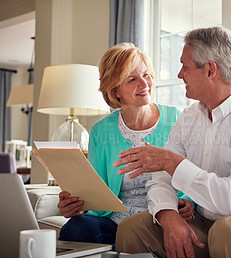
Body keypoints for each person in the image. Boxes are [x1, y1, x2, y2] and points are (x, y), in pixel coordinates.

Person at [114, 27, 231, 257]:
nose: (180, 75)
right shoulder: (190, 117)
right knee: (133, 229)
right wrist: (168, 217)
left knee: (227, 229)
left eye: (185, 66)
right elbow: (161, 180)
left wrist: (173, 163)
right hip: (204, 222)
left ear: (210, 70)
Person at [57, 43, 195, 245]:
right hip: (115, 223)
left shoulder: (177, 118)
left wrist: (188, 202)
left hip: (162, 218)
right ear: (115, 90)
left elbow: (193, 173)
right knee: (76, 227)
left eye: (146, 75)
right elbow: (97, 192)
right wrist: (78, 205)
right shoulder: (100, 131)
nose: (144, 83)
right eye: (132, 79)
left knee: (134, 234)